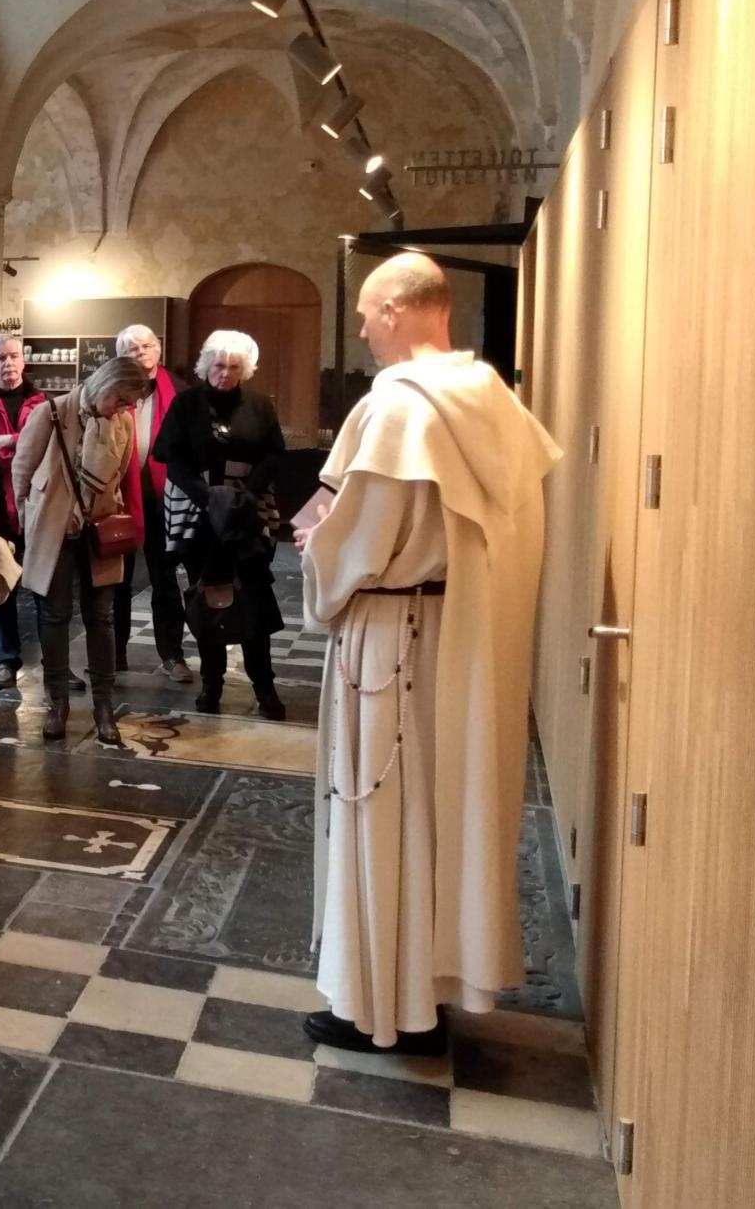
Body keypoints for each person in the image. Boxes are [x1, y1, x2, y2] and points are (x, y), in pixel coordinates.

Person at [298, 253, 559, 1056]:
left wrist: (315, 549)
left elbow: (357, 543)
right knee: (432, 816)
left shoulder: (399, 409)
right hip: (457, 639)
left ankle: (375, 1006)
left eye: (371, 316)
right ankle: (425, 989)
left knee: (378, 812)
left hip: (390, 639)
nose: (366, 332)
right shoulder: (495, 403)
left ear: (400, 310)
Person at [153, 331, 288, 720]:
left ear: (244, 370)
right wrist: (207, 496)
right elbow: (171, 458)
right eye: (218, 365)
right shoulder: (186, 404)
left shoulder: (260, 405)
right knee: (206, 598)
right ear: (205, 365)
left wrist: (246, 493)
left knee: (254, 599)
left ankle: (265, 687)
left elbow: (273, 455)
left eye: (233, 367)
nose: (224, 373)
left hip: (247, 511)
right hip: (199, 513)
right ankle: (212, 685)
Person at [13, 357, 148, 745]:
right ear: (104, 386)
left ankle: (104, 707)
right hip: (55, 526)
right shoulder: (51, 413)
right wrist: (29, 519)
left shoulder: (121, 422)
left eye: (130, 403)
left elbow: (122, 471)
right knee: (55, 616)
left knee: (101, 617)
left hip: (100, 528)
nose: (124, 409)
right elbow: (22, 471)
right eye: (120, 399)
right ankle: (57, 703)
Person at [112, 324, 193, 681]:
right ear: (121, 356)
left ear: (158, 351)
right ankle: (113, 655)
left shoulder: (181, 393)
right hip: (118, 502)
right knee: (117, 583)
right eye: (131, 349)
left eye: (146, 346)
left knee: (165, 581)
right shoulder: (110, 391)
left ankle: (172, 655)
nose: (141, 353)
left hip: (165, 501)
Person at [0, 332, 50, 690]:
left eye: (14, 356)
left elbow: (47, 451)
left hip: (36, 507)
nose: (8, 364)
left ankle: (55, 661)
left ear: (24, 360)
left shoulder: (43, 404)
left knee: (46, 589)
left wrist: (9, 444)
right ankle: (5, 659)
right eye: (0, 358)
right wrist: (14, 446)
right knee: (2, 585)